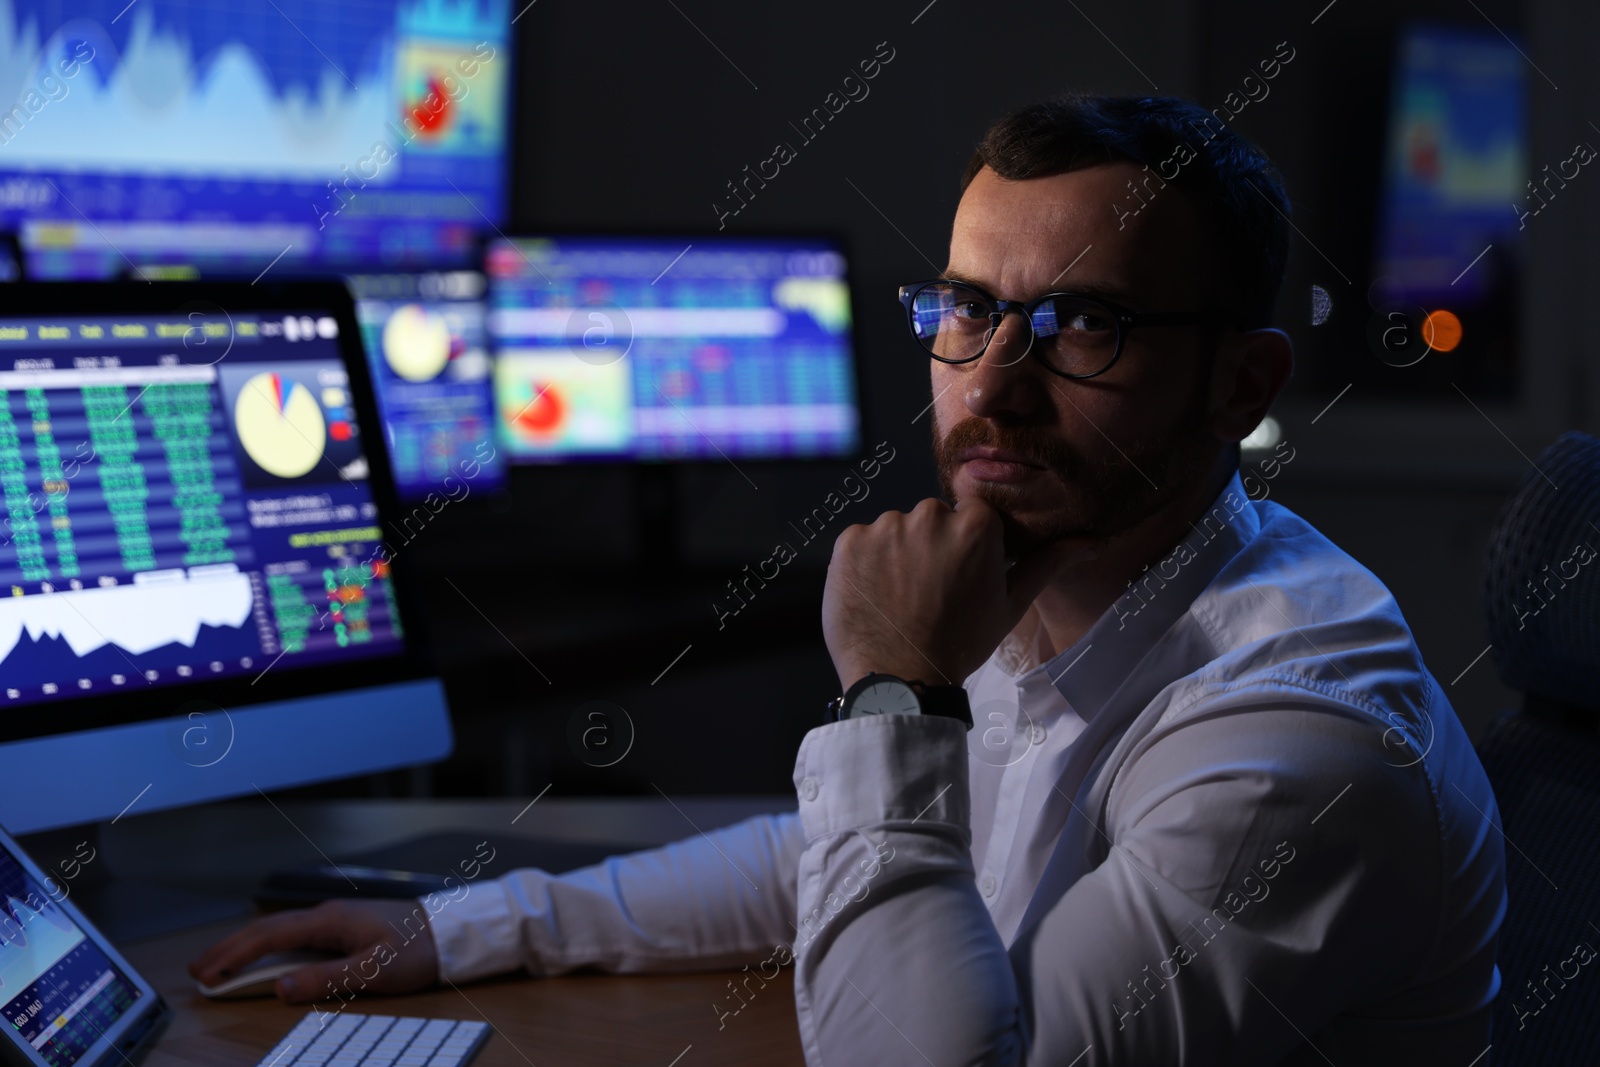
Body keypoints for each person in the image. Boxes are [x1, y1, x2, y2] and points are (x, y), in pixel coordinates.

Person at [191, 94, 1506, 1065]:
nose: (994, 385)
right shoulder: (1051, 574)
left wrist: (897, 689)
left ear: (1242, 387)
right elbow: (831, 854)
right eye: (965, 309)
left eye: (1087, 325)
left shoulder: (1305, 751)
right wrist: (465, 931)